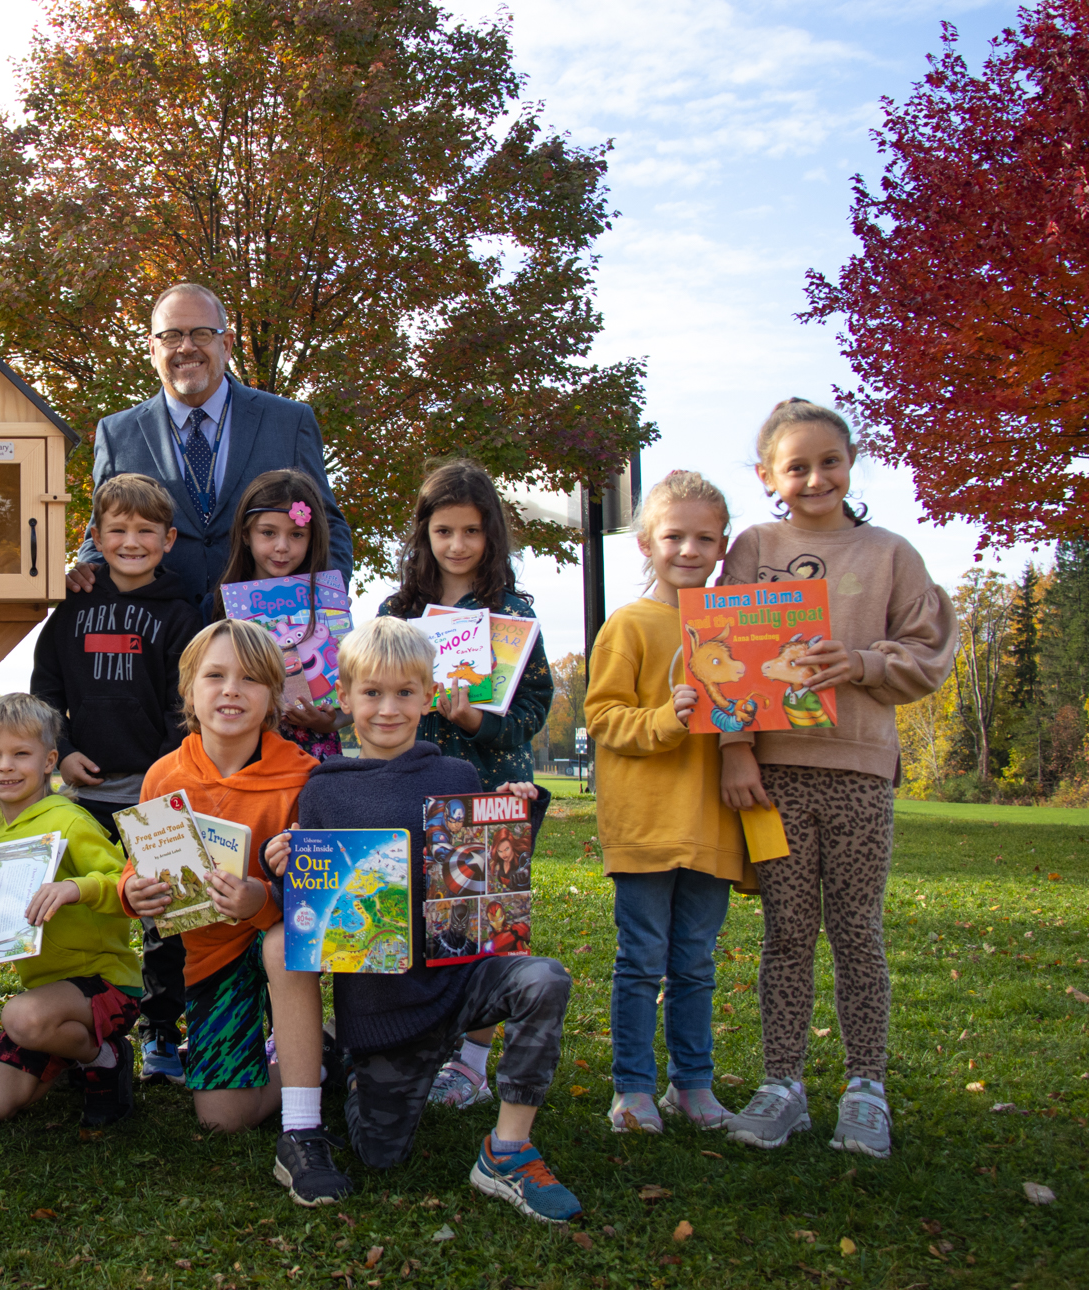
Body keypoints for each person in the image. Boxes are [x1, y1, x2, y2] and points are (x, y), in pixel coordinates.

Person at [268, 617, 580, 1223]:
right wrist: (281, 861)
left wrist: (517, 814)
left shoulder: (457, 777)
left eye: (405, 693)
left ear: (430, 696)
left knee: (544, 979)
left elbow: (491, 875)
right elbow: (315, 911)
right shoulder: (323, 793)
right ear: (345, 697)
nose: (388, 709)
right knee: (382, 1156)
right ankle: (352, 1070)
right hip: (386, 1010)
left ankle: (507, 1150)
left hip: (461, 978)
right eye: (373, 693)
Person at [716, 399, 957, 1158]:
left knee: (858, 930)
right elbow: (720, 648)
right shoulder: (754, 546)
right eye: (796, 465)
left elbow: (929, 650)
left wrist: (861, 662)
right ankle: (782, 1082)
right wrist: (736, 748)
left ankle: (866, 1087)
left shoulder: (891, 554)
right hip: (776, 774)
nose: (814, 477)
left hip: (858, 770)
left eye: (829, 461)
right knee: (786, 933)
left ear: (851, 464)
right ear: (768, 477)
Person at [121, 619, 332, 1202]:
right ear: (189, 690)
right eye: (214, 676)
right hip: (209, 959)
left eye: (249, 679)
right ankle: (318, 1059)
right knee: (220, 1117)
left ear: (274, 696)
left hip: (279, 950)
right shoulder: (166, 775)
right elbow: (138, 863)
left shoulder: (305, 780)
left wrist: (260, 897)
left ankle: (303, 1107)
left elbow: (324, 899)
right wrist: (130, 890)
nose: (231, 690)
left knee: (278, 943)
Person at [383, 459, 554, 1111]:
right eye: (444, 530)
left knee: (483, 927)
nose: (456, 545)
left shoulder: (512, 614)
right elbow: (373, 691)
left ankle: (474, 1062)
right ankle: (419, 1044)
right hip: (413, 787)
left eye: (472, 532)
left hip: (494, 789)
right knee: (419, 921)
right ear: (424, 533)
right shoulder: (397, 612)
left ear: (492, 537)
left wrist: (475, 718)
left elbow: (536, 708)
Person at [585, 471, 745, 1134]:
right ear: (647, 542)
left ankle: (694, 1084)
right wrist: (664, 719)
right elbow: (602, 717)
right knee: (642, 956)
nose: (688, 548)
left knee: (696, 961)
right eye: (673, 535)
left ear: (723, 545)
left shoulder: (738, 626)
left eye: (704, 537)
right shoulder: (630, 624)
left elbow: (755, 710)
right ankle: (633, 1087)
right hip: (646, 823)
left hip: (713, 821)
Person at [29, 472, 198, 1085]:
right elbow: (44, 688)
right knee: (90, 907)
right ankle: (92, 1027)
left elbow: (188, 704)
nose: (131, 541)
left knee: (167, 918)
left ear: (169, 539)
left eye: (145, 531)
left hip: (158, 792)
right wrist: (65, 749)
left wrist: (162, 770)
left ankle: (161, 1034)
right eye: (117, 530)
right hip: (84, 792)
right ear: (95, 536)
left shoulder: (182, 614)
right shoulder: (71, 606)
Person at [71, 282, 350, 612]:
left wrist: (316, 608)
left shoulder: (289, 421)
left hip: (263, 636)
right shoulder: (117, 433)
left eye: (201, 333)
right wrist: (84, 578)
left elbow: (328, 527)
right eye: (171, 336)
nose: (186, 347)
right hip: (156, 639)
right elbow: (100, 537)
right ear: (152, 348)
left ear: (227, 343)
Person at [0, 695, 139, 1129]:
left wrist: (74, 888)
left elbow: (128, 886)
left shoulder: (70, 822)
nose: (6, 766)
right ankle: (67, 1049)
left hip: (103, 982)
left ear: (49, 761)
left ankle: (105, 1055)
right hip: (44, 997)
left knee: (20, 1017)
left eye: (20, 754)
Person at [203, 468, 353, 758]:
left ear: (313, 537)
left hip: (313, 759)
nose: (282, 547)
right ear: (246, 535)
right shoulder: (218, 608)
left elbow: (353, 696)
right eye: (268, 532)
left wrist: (331, 720)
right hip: (244, 757)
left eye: (296, 534)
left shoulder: (330, 604)